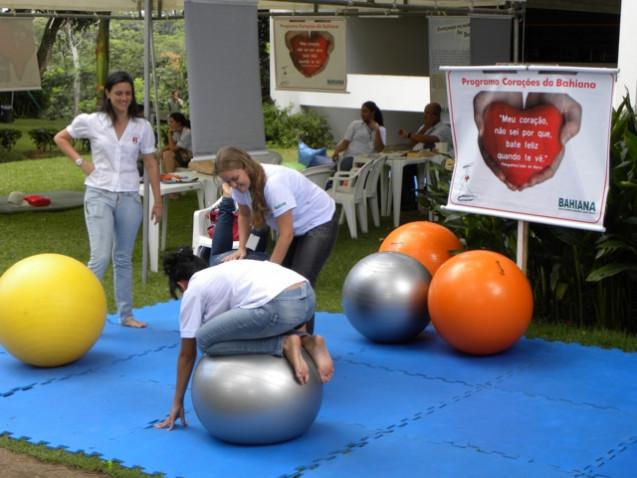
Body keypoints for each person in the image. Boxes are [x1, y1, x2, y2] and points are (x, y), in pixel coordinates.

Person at [155, 248, 334, 431]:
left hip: (280, 306)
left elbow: (187, 353)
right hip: (307, 298)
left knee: (204, 339)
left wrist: (177, 401)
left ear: (181, 284)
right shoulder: (223, 272)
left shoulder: (193, 289)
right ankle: (306, 340)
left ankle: (283, 344)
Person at [54, 71, 162, 329]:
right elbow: (61, 138)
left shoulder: (142, 126)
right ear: (108, 94)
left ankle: (125, 315)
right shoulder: (92, 121)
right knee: (100, 257)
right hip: (98, 193)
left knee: (123, 257)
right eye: (118, 93)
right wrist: (82, 163)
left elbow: (150, 163)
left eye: (128, 93)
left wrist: (158, 200)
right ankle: (82, 314)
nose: (124, 98)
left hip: (128, 196)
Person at [214, 146, 339, 332]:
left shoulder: (274, 184)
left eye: (235, 178)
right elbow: (245, 215)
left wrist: (271, 270)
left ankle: (305, 343)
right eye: (227, 181)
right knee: (283, 285)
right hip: (293, 228)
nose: (232, 184)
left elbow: (286, 234)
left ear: (245, 167)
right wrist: (242, 248)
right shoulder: (239, 187)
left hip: (318, 221)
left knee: (300, 283)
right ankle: (285, 338)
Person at [397, 102, 452, 210]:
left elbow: (432, 139)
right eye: (425, 112)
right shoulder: (424, 127)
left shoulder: (444, 128)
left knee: (426, 174)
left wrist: (409, 134)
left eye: (428, 113)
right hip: (421, 160)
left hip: (440, 163)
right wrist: (424, 128)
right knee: (404, 169)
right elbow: (411, 144)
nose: (425, 116)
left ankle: (430, 202)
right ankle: (409, 202)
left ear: (436, 115)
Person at [330, 101, 386, 171]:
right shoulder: (355, 124)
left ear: (372, 113)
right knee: (345, 165)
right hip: (351, 158)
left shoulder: (381, 129)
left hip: (367, 161)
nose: (362, 114)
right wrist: (336, 152)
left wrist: (377, 130)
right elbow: (345, 143)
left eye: (365, 111)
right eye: (361, 111)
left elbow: (379, 149)